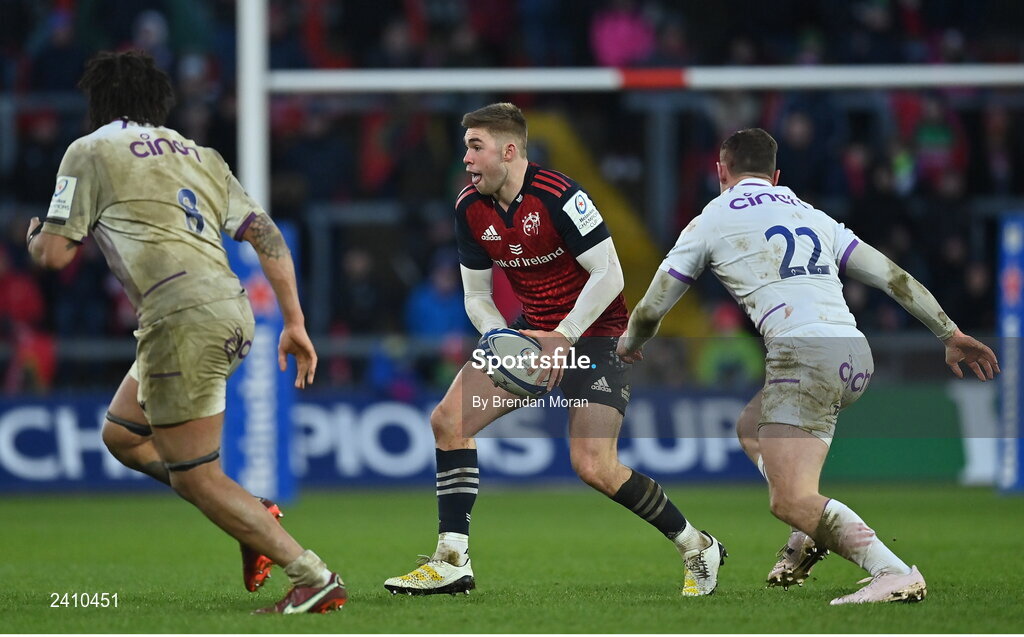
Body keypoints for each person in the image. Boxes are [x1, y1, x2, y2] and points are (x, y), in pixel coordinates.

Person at [617, 128, 1000, 605]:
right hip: (854, 354)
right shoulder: (812, 215)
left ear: (721, 172)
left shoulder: (710, 220)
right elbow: (893, 277)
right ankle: (810, 530)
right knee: (750, 424)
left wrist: (631, 343)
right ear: (776, 176)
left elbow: (654, 307)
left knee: (789, 500)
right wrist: (949, 333)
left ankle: (894, 571)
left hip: (803, 354)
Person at [25, 50, 346, 615]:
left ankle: (312, 576)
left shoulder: (90, 150)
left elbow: (53, 256)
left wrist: (33, 234)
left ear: (98, 104)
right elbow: (266, 234)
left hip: (181, 317)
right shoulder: (199, 154)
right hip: (229, 307)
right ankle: (252, 513)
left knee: (198, 477)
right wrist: (294, 321)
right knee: (122, 435)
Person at [383, 102, 726, 597]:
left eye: (475, 148)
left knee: (594, 466)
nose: (467, 159)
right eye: (465, 149)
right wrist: (502, 340)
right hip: (533, 334)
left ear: (508, 150)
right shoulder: (469, 208)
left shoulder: (560, 195)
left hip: (595, 337)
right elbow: (477, 297)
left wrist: (563, 338)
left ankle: (697, 545)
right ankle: (452, 559)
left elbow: (610, 274)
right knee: (447, 422)